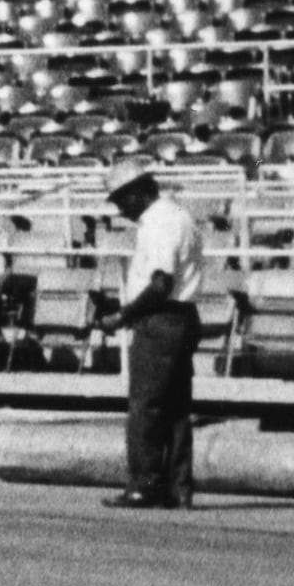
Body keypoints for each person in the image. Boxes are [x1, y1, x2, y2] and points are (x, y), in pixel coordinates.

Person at [109, 168, 205, 508]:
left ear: (138, 192)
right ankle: (178, 487)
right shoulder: (179, 216)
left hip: (161, 321)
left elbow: (160, 284)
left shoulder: (160, 223)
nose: (120, 210)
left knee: (147, 405)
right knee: (176, 409)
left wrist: (123, 315)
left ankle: (145, 484)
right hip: (182, 317)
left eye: (121, 201)